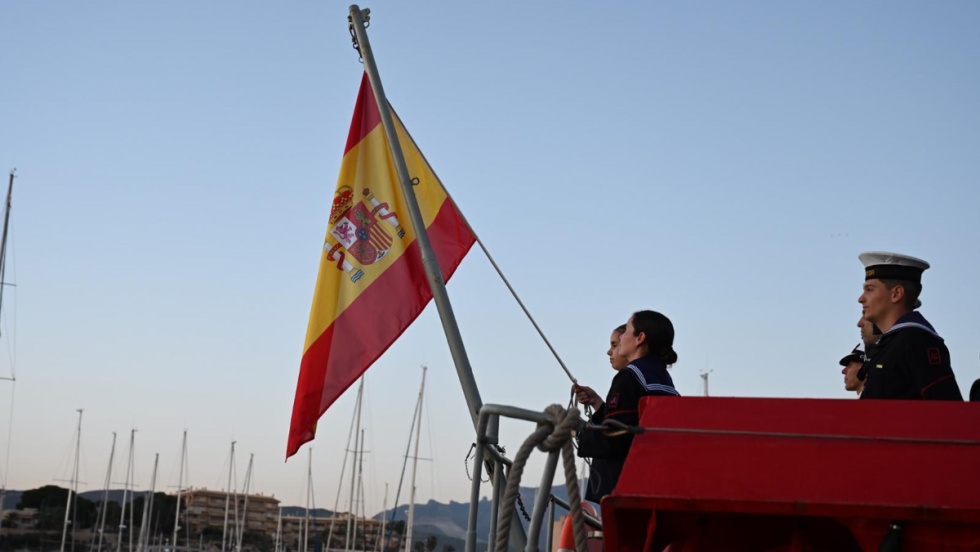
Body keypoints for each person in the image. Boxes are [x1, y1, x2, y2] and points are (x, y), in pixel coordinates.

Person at [574, 310, 680, 501]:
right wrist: (599, 405)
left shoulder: (629, 377)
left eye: (626, 331)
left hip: (626, 490)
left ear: (640, 338)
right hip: (657, 485)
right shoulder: (664, 381)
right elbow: (631, 424)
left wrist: (577, 431)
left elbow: (615, 438)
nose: (622, 337)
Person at [857, 251, 962, 400]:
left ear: (896, 294)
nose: (861, 299)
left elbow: (948, 409)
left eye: (869, 289)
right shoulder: (888, 345)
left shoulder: (917, 340)